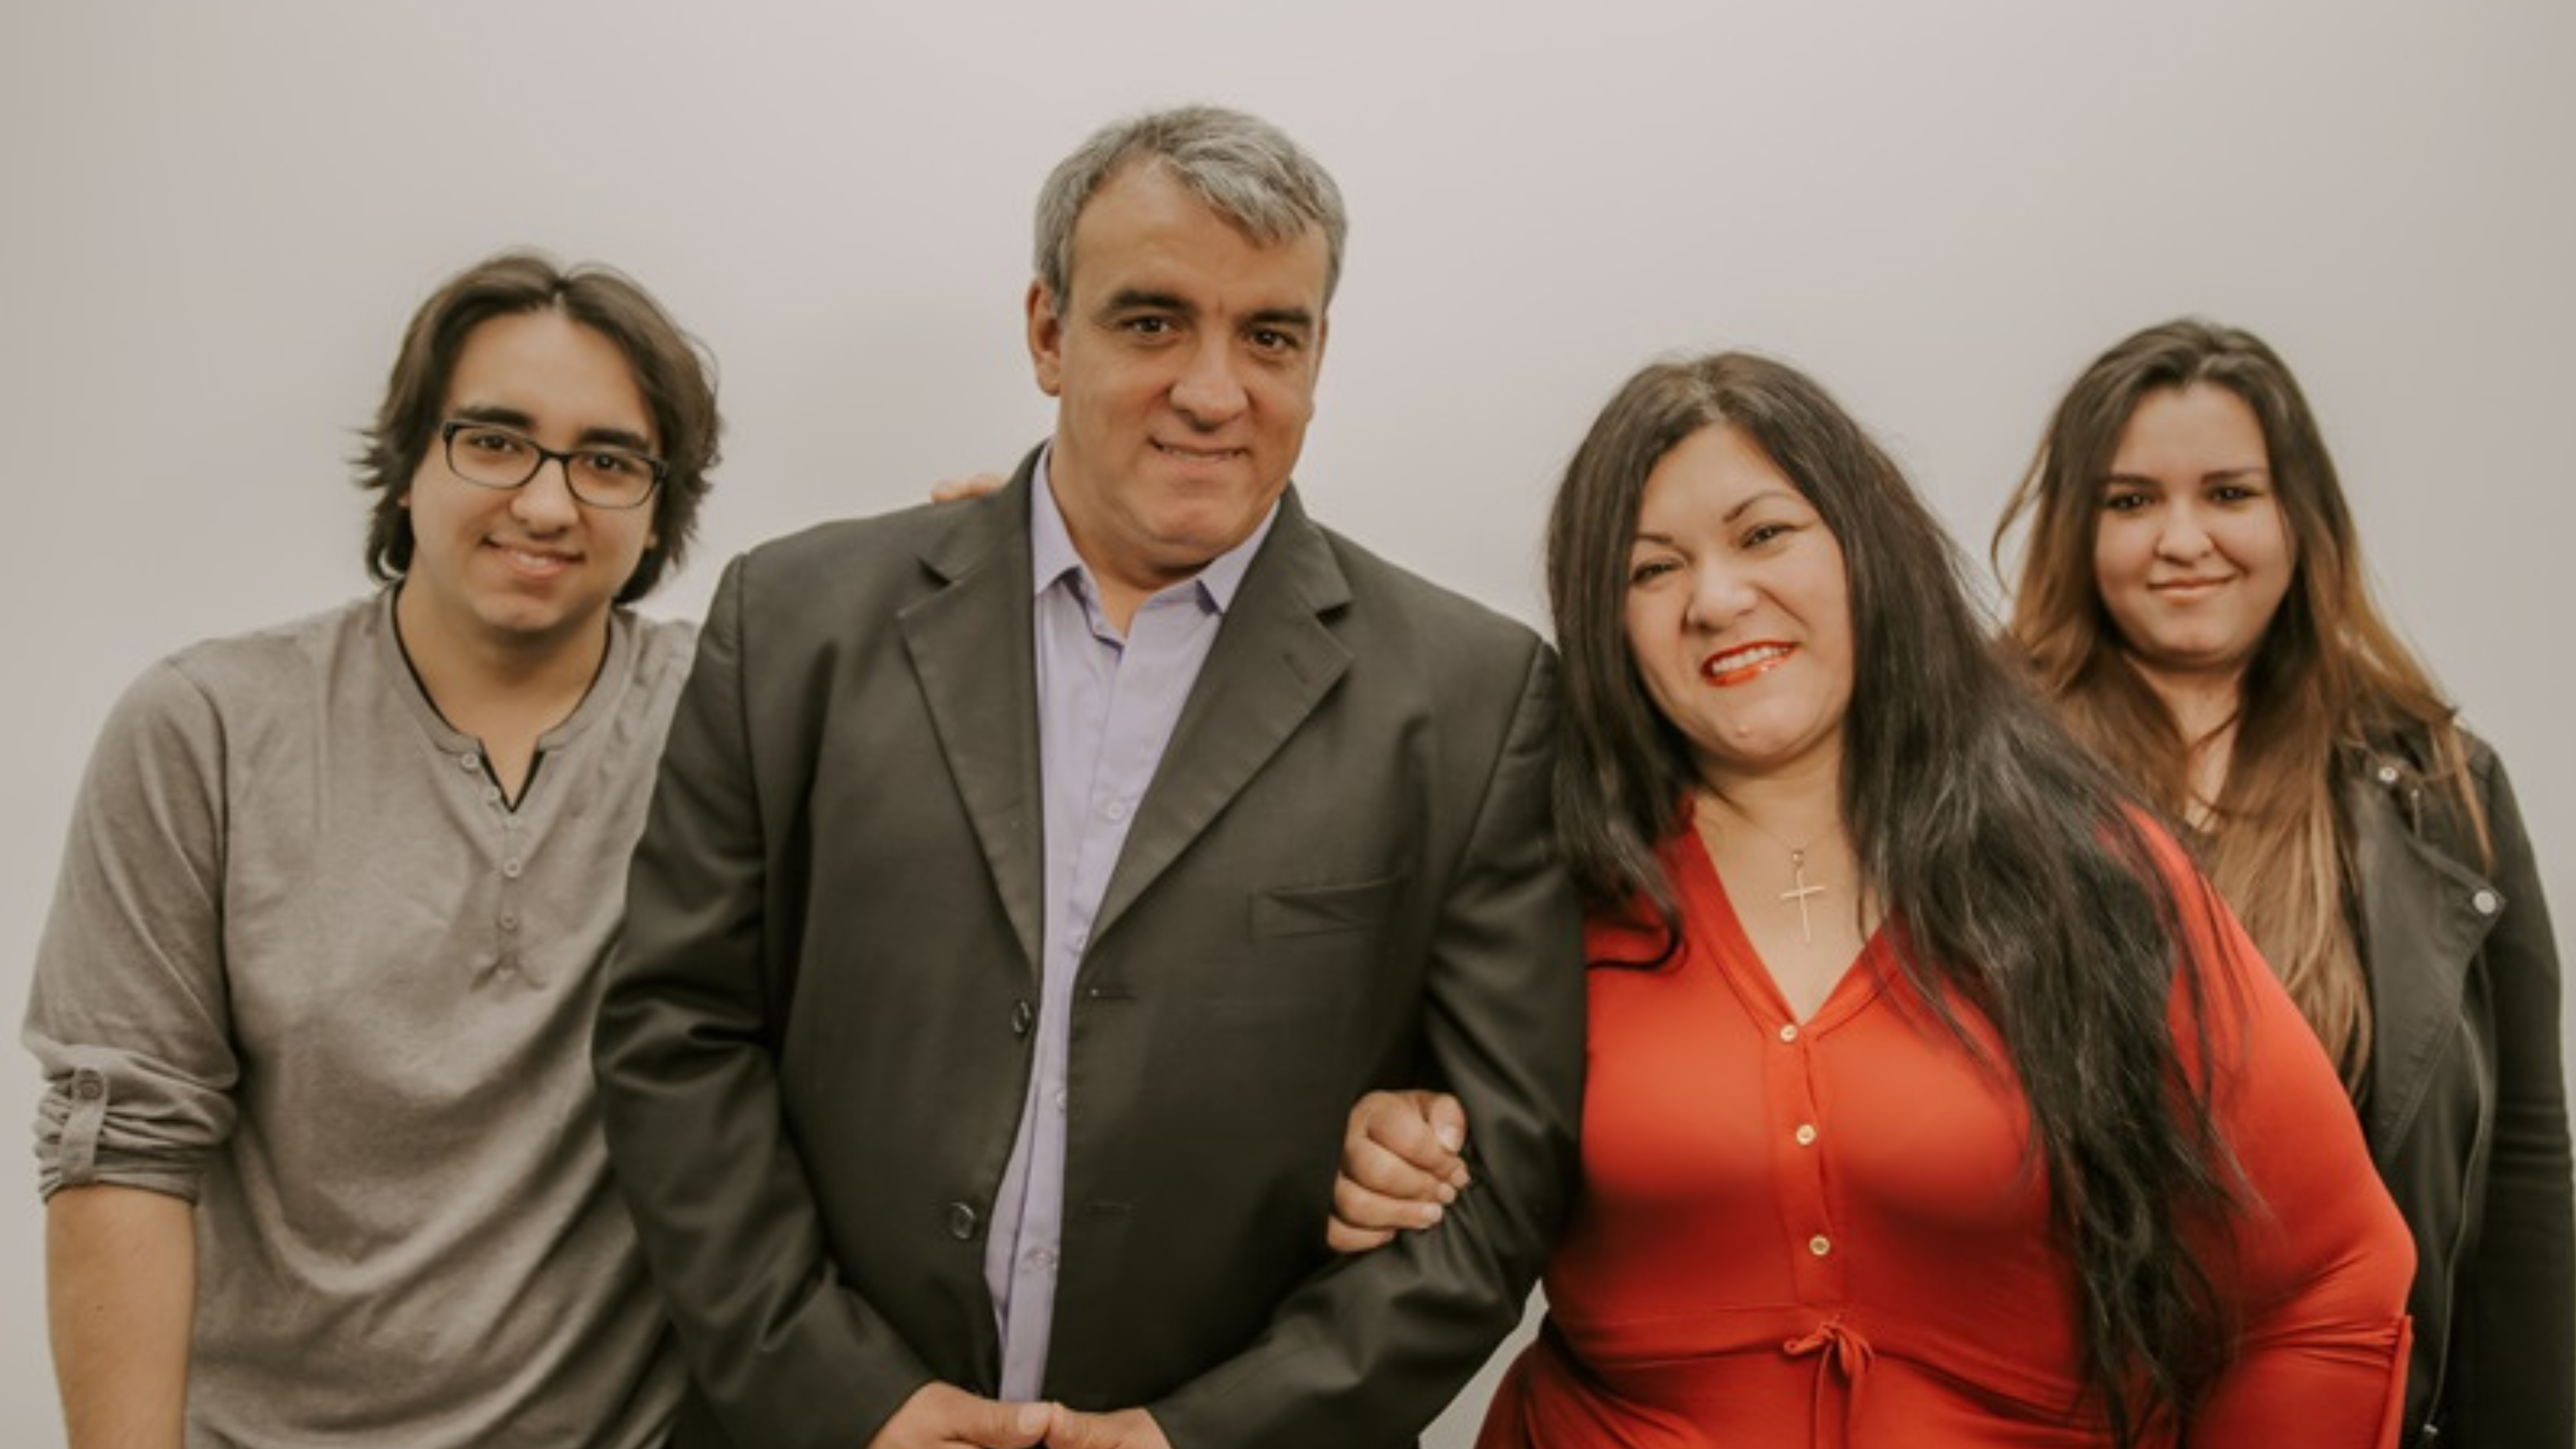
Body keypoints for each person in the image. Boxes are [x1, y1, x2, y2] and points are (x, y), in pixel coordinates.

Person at [590, 104, 1585, 1449]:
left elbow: (1498, 1181)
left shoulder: (1473, 698)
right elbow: (679, 1036)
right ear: (1049, 332)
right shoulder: (797, 624)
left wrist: (1203, 1436)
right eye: (1153, 320)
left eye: (1270, 336)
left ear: (1318, 357)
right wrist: (848, 1399)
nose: (1215, 388)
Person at [1330, 351, 2415, 1446]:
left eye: (1764, 535)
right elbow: (1416, 1131)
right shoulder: (1543, 882)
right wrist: (1385, 1138)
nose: (1716, 598)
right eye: (1650, 570)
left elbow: (2326, 1282)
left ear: (1868, 552)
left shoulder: (2094, 873)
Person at [25, 252, 720, 1447]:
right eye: (495, 441)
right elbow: (125, 1147)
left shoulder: (730, 719)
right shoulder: (207, 728)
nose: (548, 504)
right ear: (409, 464)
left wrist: (977, 567)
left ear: (660, 506)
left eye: (608, 462)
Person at [1992, 318, 2573, 1447]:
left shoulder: (2441, 789)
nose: (2183, 539)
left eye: (2228, 493)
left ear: (2299, 522)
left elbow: (2524, 1166)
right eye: (2129, 502)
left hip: (2350, 1404)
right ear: (2074, 532)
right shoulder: (1985, 774)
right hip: (2055, 1413)